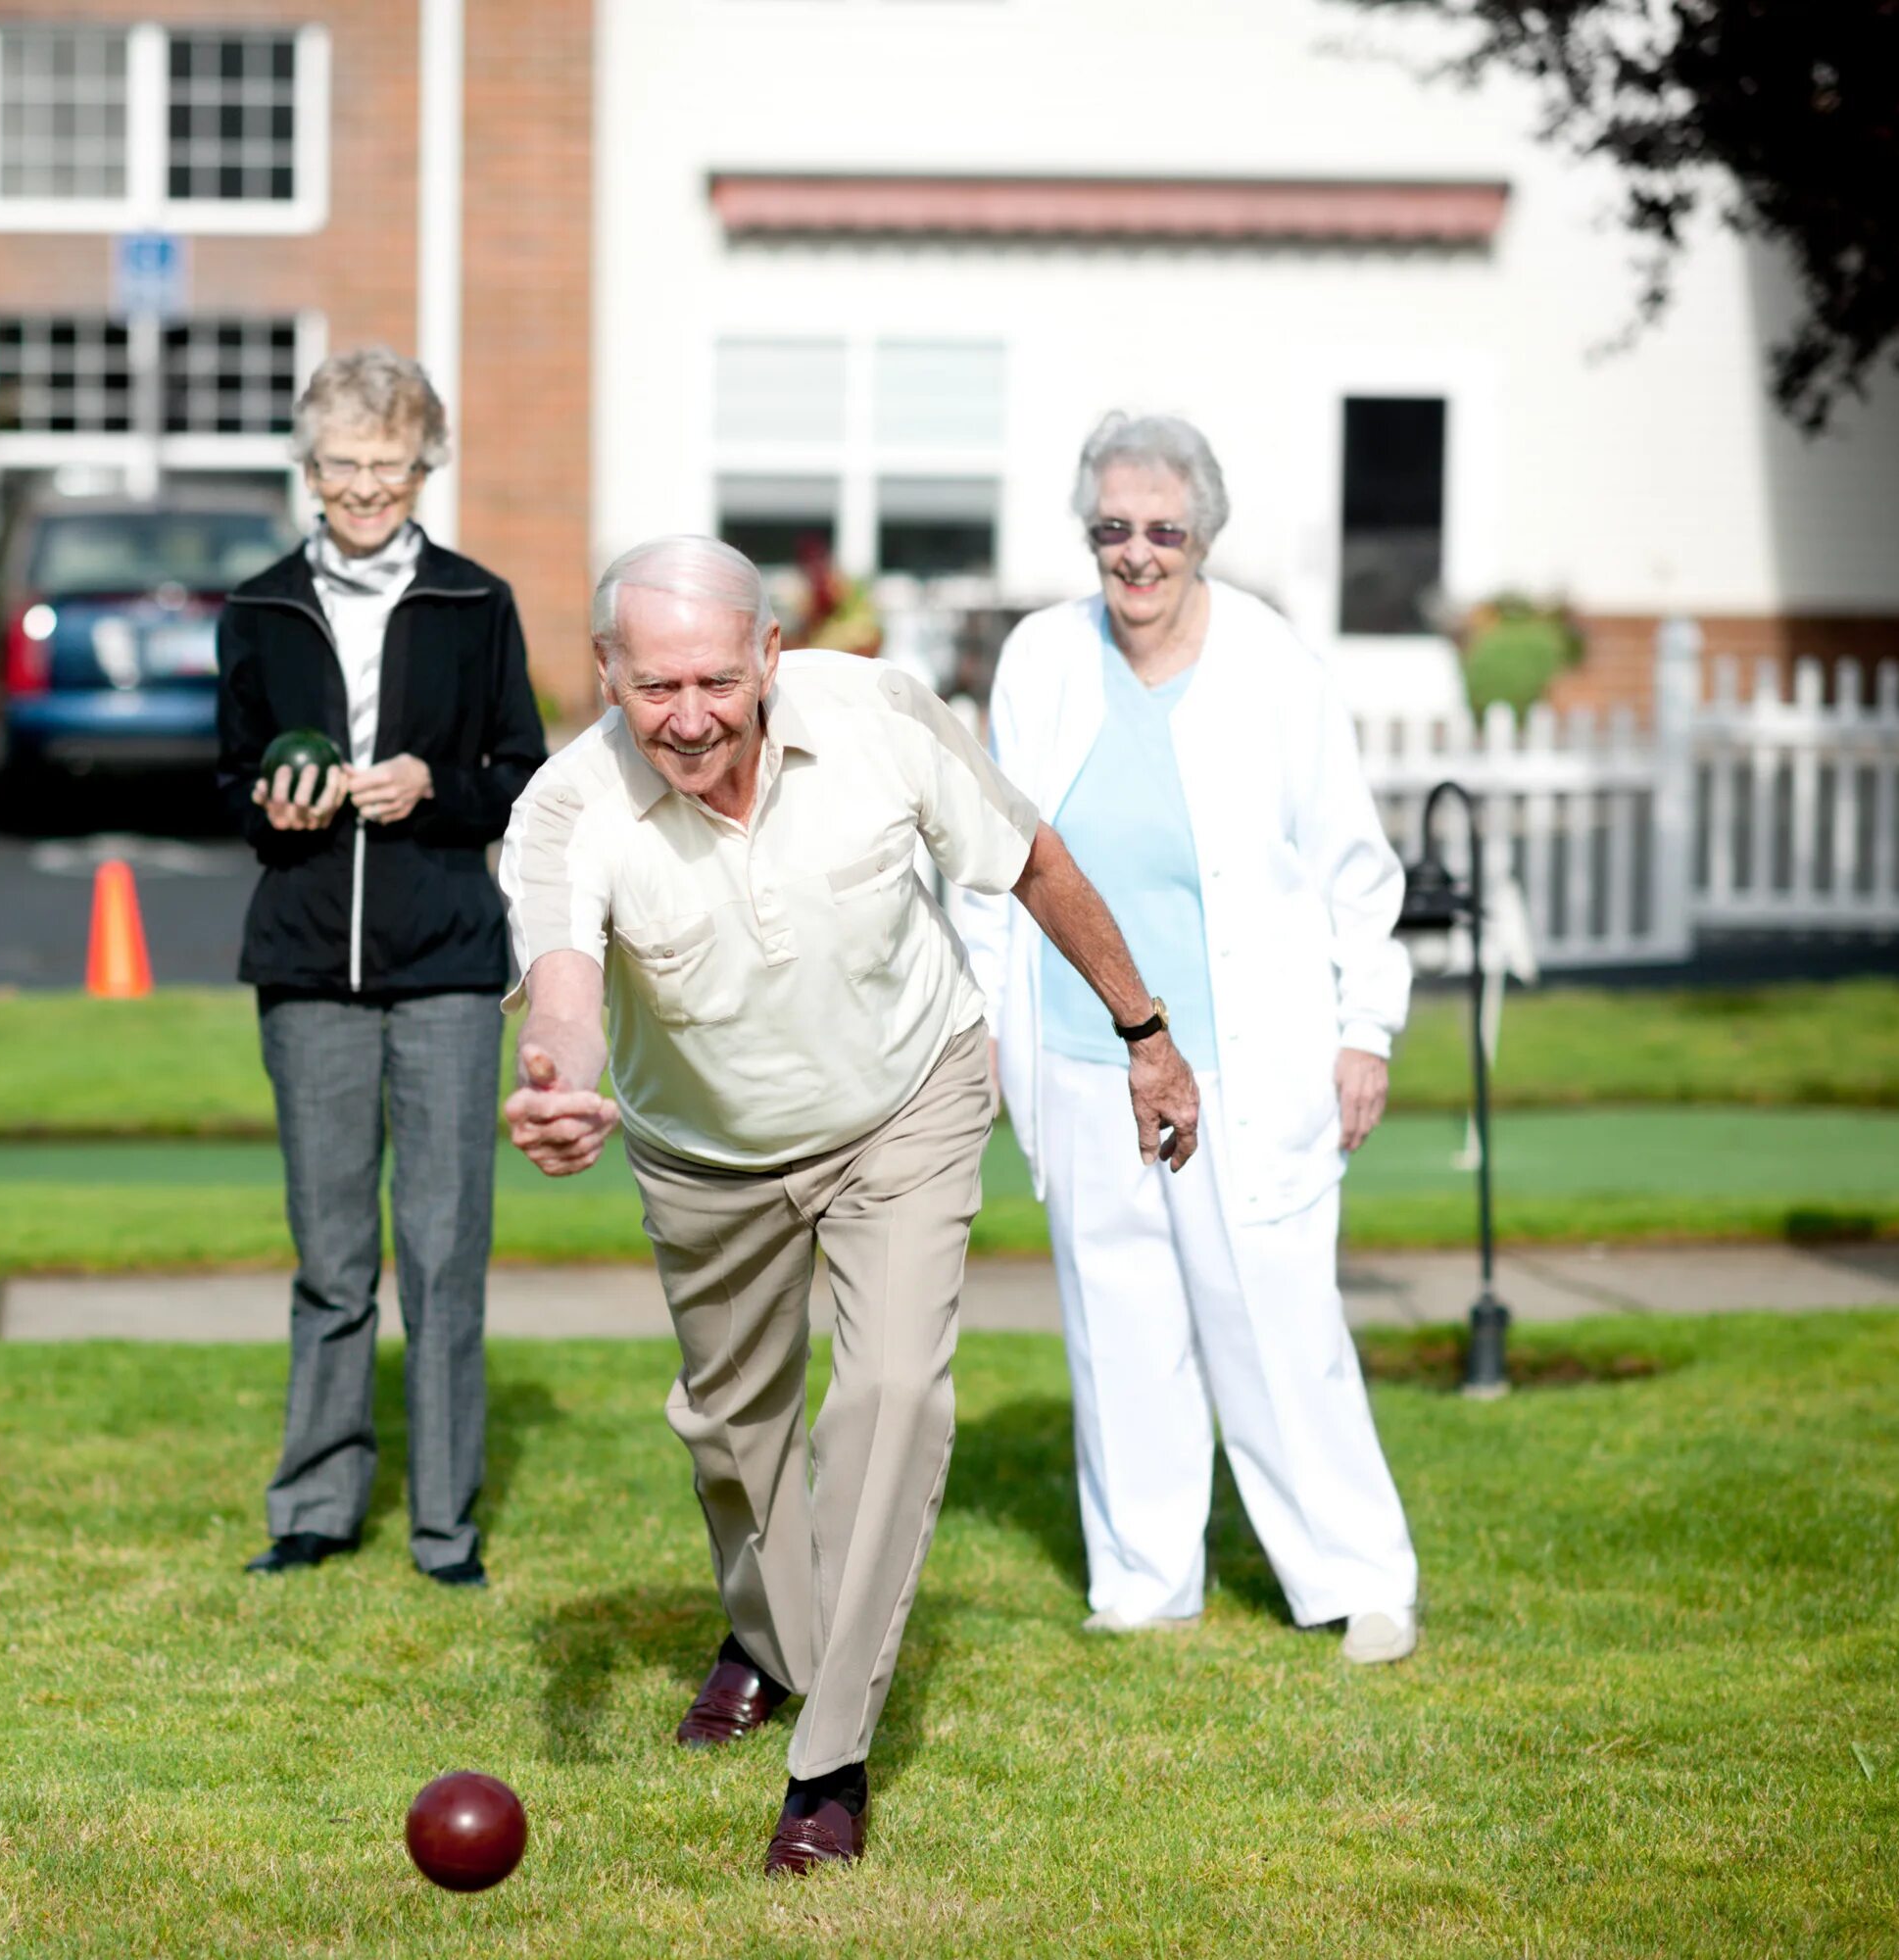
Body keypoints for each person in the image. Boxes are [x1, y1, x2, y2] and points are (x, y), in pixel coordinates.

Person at [498, 535, 1199, 1875]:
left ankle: (829, 1762)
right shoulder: (566, 805)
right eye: (655, 689)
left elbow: (1034, 859)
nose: (690, 716)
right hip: (708, 1152)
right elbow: (567, 985)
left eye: (716, 678)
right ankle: (763, 1638)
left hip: (907, 1105)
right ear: (605, 675)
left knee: (889, 1398)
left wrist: (1145, 1031)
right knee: (734, 1433)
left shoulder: (879, 716)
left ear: (769, 656)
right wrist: (559, 1082)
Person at [952, 412, 1421, 1665]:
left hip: (1247, 1058)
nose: (1137, 554)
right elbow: (992, 856)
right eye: (1113, 529)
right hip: (1073, 1047)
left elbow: (1352, 864)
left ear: (1203, 532)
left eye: (1163, 530)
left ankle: (1358, 1575)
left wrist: (1365, 1026)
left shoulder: (1272, 663)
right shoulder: (1044, 657)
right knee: (1119, 1323)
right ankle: (1146, 1579)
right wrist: (990, 1016)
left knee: (1275, 1320)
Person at [214, 348, 547, 1588]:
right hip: (305, 962)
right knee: (331, 1252)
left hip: (449, 962)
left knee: (447, 1249)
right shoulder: (256, 607)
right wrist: (277, 805)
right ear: (310, 468)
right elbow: (229, 778)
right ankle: (314, 1505)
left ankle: (445, 1527)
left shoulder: (476, 601)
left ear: (425, 467)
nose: (365, 485)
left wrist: (433, 786)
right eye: (343, 463)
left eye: (389, 464)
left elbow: (523, 769)